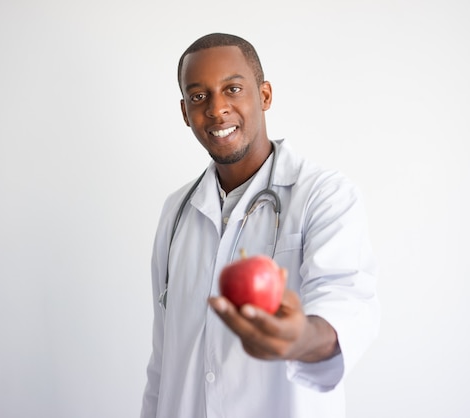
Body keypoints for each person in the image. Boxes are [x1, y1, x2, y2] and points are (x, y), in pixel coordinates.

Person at [141, 33, 380, 418]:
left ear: (264, 95)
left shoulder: (324, 195)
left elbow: (347, 304)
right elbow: (163, 359)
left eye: (232, 89)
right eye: (199, 96)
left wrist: (301, 338)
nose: (217, 109)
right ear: (185, 112)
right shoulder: (176, 212)